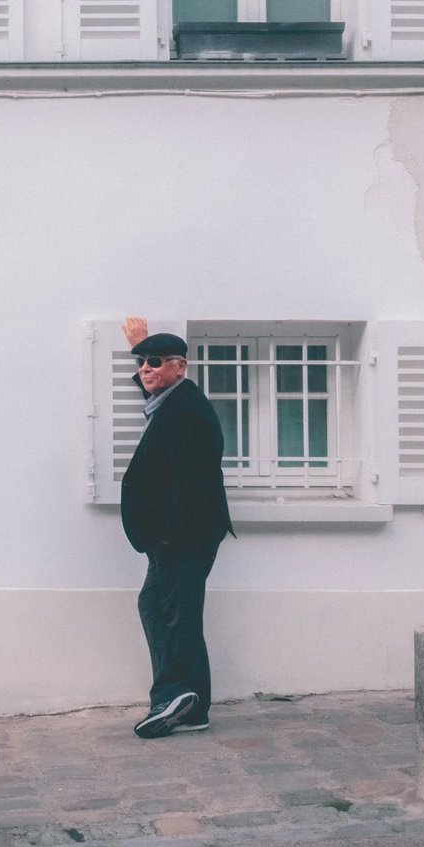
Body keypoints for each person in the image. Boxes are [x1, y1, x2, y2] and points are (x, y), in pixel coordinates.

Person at [120, 317, 234, 739]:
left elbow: (193, 482)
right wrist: (141, 345)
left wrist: (167, 534)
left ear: (180, 367)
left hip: (183, 535)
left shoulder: (186, 409)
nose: (145, 369)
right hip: (182, 534)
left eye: (154, 361)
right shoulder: (176, 401)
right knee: (165, 607)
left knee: (168, 610)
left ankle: (175, 695)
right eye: (141, 363)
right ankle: (190, 706)